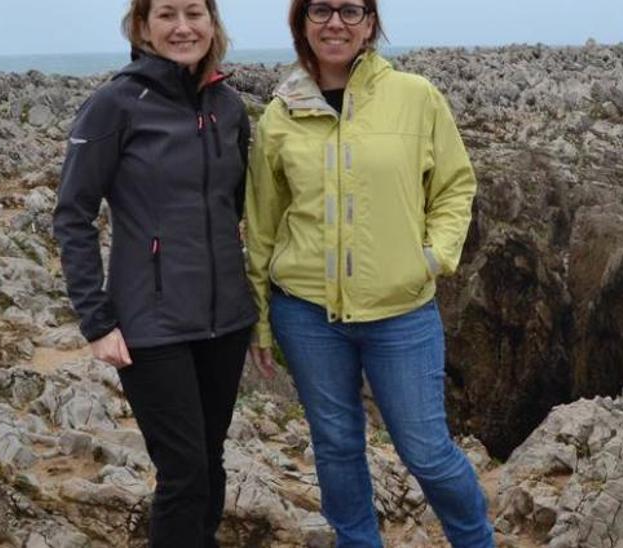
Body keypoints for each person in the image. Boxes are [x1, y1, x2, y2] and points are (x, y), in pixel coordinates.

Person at [245, 0, 494, 545]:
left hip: (400, 313)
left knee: (427, 451)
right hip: (306, 313)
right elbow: (262, 223)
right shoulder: (279, 114)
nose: (335, 22)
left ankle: (475, 539)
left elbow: (455, 186)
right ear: (301, 23)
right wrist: (262, 318)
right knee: (335, 444)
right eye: (320, 10)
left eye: (351, 10)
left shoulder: (416, 96)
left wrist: (431, 257)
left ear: (370, 23)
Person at [52, 0, 269, 545]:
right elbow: (73, 214)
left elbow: (236, 208)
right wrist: (96, 321)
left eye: (194, 13)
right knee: (184, 473)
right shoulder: (115, 104)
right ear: (142, 27)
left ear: (212, 24)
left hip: (224, 322)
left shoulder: (228, 106)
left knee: (210, 461)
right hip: (151, 325)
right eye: (167, 14)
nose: (182, 27)